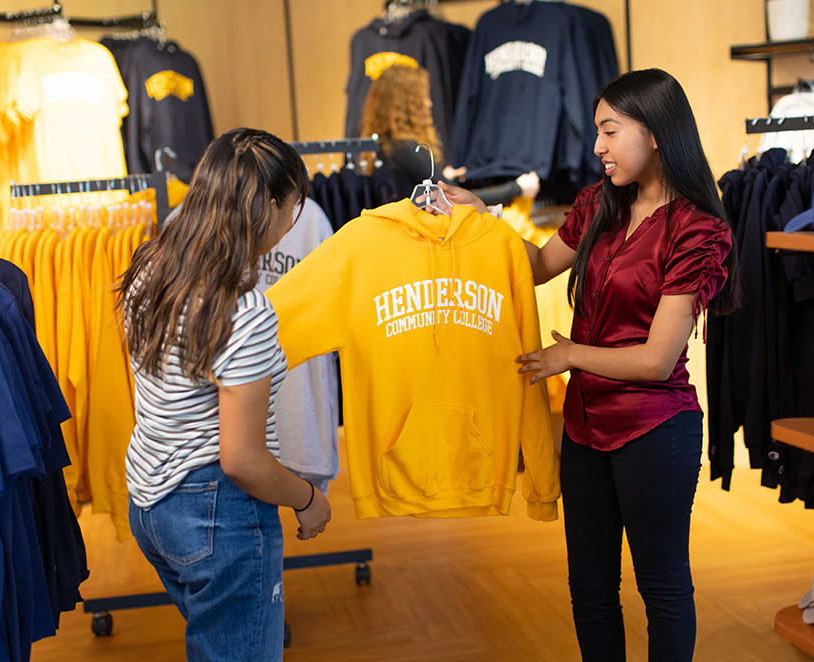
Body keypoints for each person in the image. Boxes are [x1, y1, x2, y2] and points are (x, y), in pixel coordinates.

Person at [434, 68, 741, 661]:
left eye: (610, 131)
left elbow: (657, 361)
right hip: (583, 428)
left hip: (655, 430)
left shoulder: (698, 230)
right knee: (590, 590)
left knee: (662, 587)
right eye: (598, 132)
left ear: (655, 133)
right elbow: (535, 266)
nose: (597, 146)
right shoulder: (599, 204)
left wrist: (571, 354)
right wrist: (479, 216)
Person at [117, 128, 332, 661]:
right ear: (272, 205)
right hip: (216, 515)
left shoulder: (152, 265)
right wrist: (308, 499)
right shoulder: (243, 311)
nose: (294, 219)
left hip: (151, 500)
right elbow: (242, 459)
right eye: (294, 205)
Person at [360, 63, 539, 205]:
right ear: (407, 103)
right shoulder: (406, 147)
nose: (429, 104)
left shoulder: (386, 146)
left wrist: (443, 177)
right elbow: (457, 198)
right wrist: (517, 188)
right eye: (422, 97)